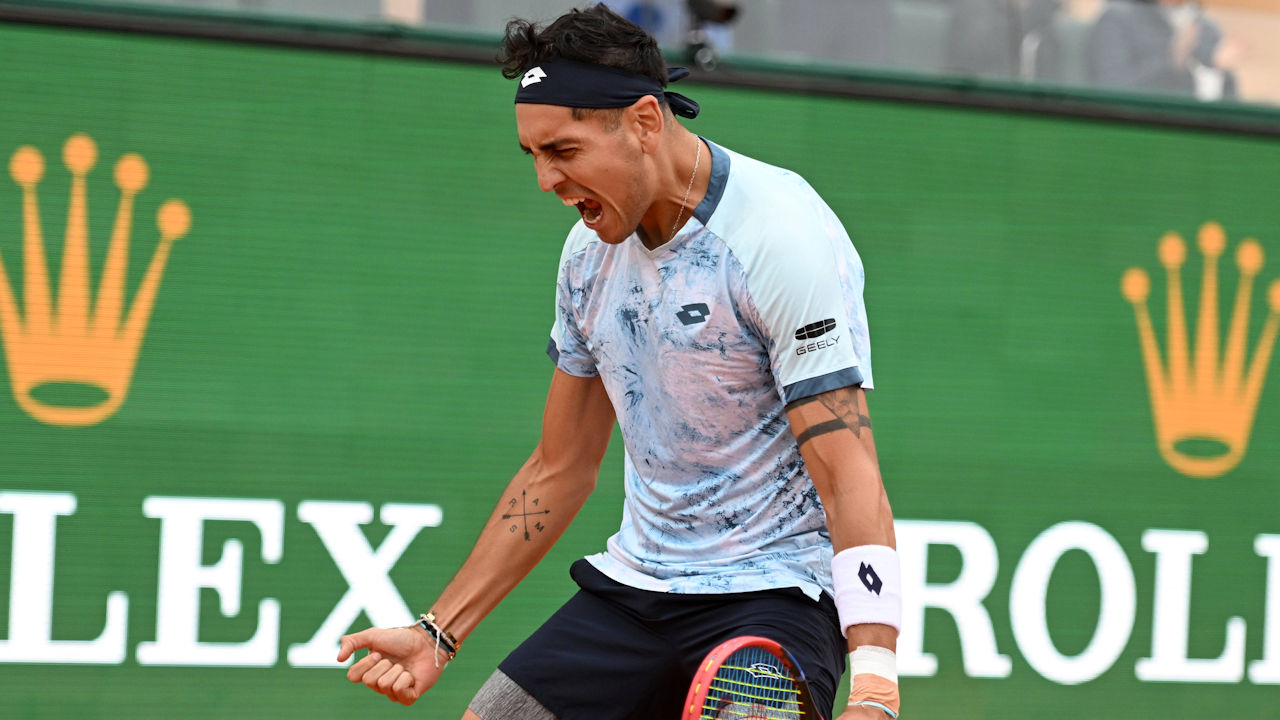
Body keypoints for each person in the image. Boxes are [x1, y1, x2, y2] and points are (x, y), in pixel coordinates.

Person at [336, 5, 902, 719]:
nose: (546, 180)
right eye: (534, 156)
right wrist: (436, 633)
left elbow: (849, 469)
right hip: (635, 590)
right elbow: (559, 467)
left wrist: (877, 684)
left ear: (641, 121)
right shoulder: (586, 257)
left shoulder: (778, 238)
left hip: (774, 598)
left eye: (563, 151)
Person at [1087, 0, 1240, 100]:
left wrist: (1219, 72)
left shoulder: (1206, 28)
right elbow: (1112, 90)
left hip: (1204, 132)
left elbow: (1228, 100)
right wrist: (1173, 61)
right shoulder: (1117, 19)